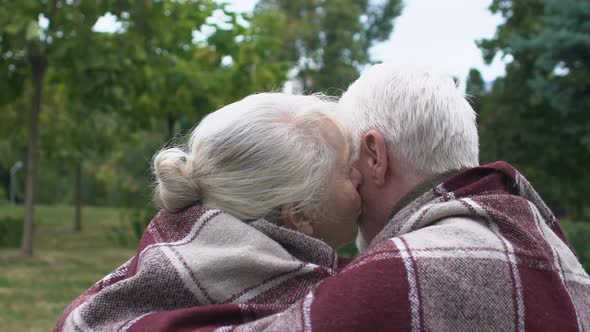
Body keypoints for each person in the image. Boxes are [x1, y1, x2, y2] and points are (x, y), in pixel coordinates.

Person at [143, 64, 589, 331]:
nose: (352, 186)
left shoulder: (395, 278)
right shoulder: (546, 245)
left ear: (375, 155)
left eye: (349, 163)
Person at [54, 93, 362, 332]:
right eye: (348, 170)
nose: (362, 176)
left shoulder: (127, 290)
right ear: (301, 214)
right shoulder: (321, 311)